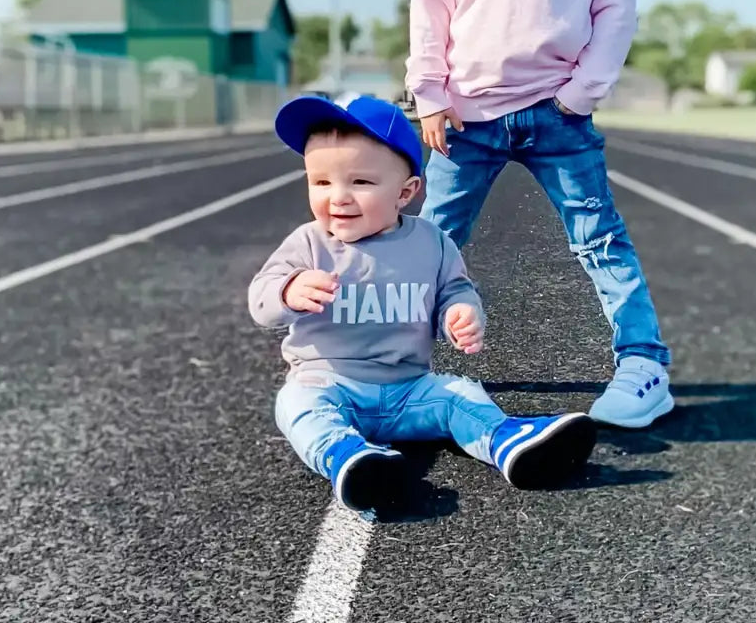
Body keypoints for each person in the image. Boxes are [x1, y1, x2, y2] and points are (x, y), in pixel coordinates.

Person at [405, 0, 674, 429]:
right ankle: (392, 365)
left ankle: (644, 363)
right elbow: (430, 9)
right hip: (470, 117)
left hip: (560, 115)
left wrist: (582, 90)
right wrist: (429, 95)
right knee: (428, 242)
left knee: (599, 237)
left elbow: (616, 2)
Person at [247, 93, 598, 513]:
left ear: (406, 192)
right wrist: (289, 290)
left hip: (408, 391)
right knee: (294, 404)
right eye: (321, 182)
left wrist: (461, 313)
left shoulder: (432, 242)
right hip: (328, 384)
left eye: (360, 182)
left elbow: (456, 290)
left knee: (459, 394)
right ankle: (349, 459)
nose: (338, 197)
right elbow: (261, 301)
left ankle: (506, 442)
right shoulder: (308, 243)